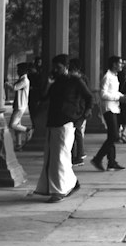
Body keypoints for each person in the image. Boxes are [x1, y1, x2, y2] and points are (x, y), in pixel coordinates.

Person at [32, 54, 91, 200]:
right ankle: (69, 183)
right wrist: (48, 84)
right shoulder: (55, 82)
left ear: (66, 67)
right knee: (51, 156)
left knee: (60, 156)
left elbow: (89, 97)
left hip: (67, 122)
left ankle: (59, 190)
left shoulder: (75, 81)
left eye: (58, 67)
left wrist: (82, 116)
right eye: (54, 67)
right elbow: (44, 97)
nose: (55, 70)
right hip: (53, 120)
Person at [93, 55, 126, 171]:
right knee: (114, 136)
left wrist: (122, 96)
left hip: (115, 108)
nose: (121, 65)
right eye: (120, 63)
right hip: (108, 108)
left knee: (112, 136)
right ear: (114, 64)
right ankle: (97, 158)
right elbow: (102, 94)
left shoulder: (114, 76)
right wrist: (118, 98)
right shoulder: (107, 77)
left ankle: (111, 161)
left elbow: (114, 92)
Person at [67, 57, 89, 165]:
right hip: (81, 108)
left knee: (77, 131)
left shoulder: (79, 80)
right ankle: (79, 154)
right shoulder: (82, 78)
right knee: (78, 131)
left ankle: (79, 155)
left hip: (79, 108)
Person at [9, 62, 30, 150]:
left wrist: (6, 84)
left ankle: (28, 130)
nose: (17, 71)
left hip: (20, 106)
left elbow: (14, 88)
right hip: (19, 105)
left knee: (12, 125)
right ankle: (18, 144)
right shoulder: (22, 79)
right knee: (17, 126)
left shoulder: (24, 80)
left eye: (19, 69)